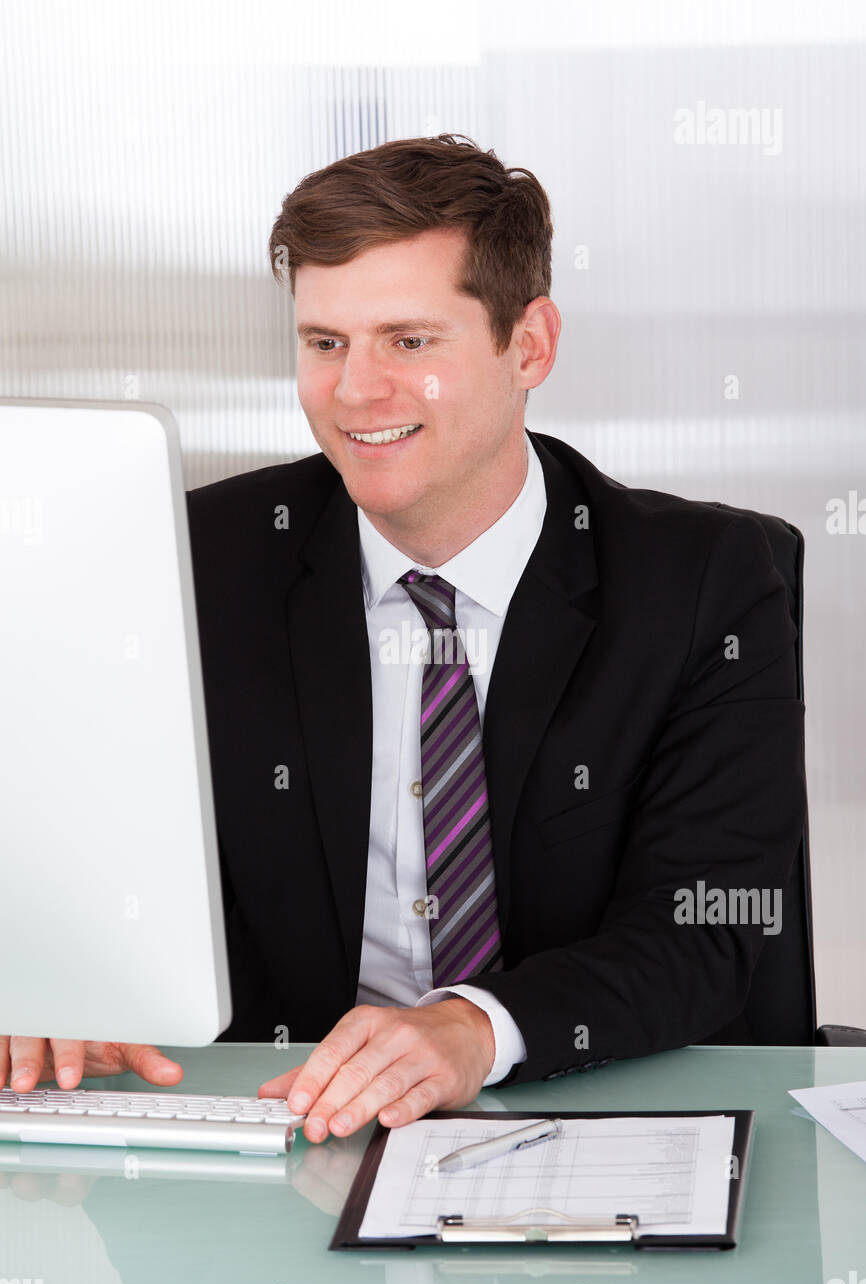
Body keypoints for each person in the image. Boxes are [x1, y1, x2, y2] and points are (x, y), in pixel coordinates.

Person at [1, 134, 806, 1148]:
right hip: (278, 1123)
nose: (354, 390)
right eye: (324, 342)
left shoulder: (702, 579)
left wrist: (476, 1028)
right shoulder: (190, 558)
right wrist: (49, 974)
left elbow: (709, 920)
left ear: (529, 345)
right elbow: (83, 852)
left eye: (409, 342)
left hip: (594, 1117)